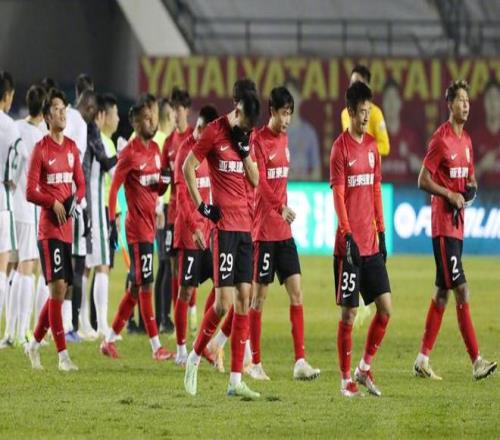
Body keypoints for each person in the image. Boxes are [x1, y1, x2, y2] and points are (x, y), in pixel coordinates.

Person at [413, 80, 497, 381]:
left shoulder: (467, 141)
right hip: (443, 227)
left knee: (442, 294)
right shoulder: (441, 140)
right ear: (449, 104)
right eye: (460, 100)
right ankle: (476, 361)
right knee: (461, 288)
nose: (466, 105)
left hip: (457, 228)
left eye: (468, 100)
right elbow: (422, 179)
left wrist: (470, 188)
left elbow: (470, 177)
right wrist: (449, 194)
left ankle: (422, 359)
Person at [183, 79, 261, 399]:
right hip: (224, 228)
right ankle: (194, 359)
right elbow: (188, 167)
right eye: (246, 123)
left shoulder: (247, 135)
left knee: (245, 299)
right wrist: (202, 206)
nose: (248, 129)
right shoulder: (214, 131)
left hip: (245, 228)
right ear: (237, 108)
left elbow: (255, 179)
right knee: (222, 303)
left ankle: (235, 381)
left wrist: (245, 152)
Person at [246, 86, 320, 381]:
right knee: (258, 298)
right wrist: (280, 207)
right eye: (284, 113)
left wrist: (282, 210)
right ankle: (255, 363)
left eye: (290, 113)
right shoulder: (257, 141)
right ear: (272, 112)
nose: (288, 119)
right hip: (264, 230)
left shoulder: (285, 139)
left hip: (283, 232)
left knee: (297, 292)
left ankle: (300, 361)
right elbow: (260, 183)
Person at [330, 81, 392, 397]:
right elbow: (339, 197)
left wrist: (382, 232)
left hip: (370, 244)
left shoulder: (371, 147)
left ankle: (364, 368)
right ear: (350, 112)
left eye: (369, 111)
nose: (367, 117)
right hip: (350, 247)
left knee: (385, 308)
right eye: (362, 112)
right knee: (349, 313)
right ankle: (345, 380)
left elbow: (376, 190)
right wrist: (348, 234)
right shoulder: (340, 149)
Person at [100, 97, 172, 361]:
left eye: (152, 116)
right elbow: (114, 189)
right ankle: (156, 347)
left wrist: (165, 182)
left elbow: (158, 189)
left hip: (150, 227)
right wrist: (112, 220)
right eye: (146, 118)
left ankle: (108, 340)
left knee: (135, 287)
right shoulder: (129, 153)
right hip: (136, 231)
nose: (152, 121)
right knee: (145, 284)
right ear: (135, 123)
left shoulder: (155, 149)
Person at [24, 88, 85, 371]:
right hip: (48, 231)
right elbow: (30, 191)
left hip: (67, 230)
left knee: (59, 292)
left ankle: (34, 344)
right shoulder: (41, 149)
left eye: (64, 109)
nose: (62, 114)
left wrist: (74, 201)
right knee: (57, 288)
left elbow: (81, 184)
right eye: (57, 110)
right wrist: (53, 202)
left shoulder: (71, 148)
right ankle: (63, 357)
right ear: (47, 117)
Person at [172, 105, 218, 365]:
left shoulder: (212, 153)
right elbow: (181, 197)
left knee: (222, 285)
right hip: (190, 233)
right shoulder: (185, 152)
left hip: (209, 233)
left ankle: (203, 341)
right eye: (200, 128)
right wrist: (194, 227)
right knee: (186, 290)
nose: (201, 134)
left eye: (206, 131)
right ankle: (181, 349)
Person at [6, 85, 47, 346]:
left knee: (11, 269)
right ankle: (21, 331)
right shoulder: (40, 137)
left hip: (11, 206)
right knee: (27, 270)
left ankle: (9, 332)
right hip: (30, 210)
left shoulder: (15, 126)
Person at [83, 93, 118, 339]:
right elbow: (113, 172)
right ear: (102, 115)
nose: (117, 119)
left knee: (86, 266)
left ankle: (84, 322)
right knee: (102, 265)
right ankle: (102, 325)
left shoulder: (85, 135)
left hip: (88, 207)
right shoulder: (99, 139)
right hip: (97, 207)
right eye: (114, 114)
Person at [161, 87, 194, 331]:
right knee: (174, 266)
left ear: (187, 111)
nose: (175, 114)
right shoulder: (168, 144)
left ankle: (192, 314)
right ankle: (176, 317)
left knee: (192, 267)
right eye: (172, 110)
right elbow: (164, 180)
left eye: (179, 109)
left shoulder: (194, 139)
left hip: (193, 214)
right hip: (173, 213)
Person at [0, 71, 21, 341]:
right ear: (6, 96)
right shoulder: (10, 126)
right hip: (3, 202)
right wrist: (12, 179)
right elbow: (20, 157)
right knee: (2, 267)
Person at [155, 97, 176, 333]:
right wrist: (160, 205)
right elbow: (160, 176)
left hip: (166, 207)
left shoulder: (161, 139)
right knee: (166, 264)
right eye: (172, 115)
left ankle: (161, 317)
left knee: (164, 264)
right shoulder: (163, 141)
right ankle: (163, 317)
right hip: (165, 208)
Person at [341, 65, 390, 158]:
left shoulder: (375, 113)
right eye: (351, 83)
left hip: (369, 166)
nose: (353, 86)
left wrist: (365, 149)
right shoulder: (345, 114)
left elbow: (385, 146)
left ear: (366, 87)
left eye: (357, 83)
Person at [381, 79, 421, 183]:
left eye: (394, 98)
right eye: (388, 99)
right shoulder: (374, 137)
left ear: (400, 103)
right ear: (383, 104)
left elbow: (425, 170)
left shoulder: (410, 136)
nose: (391, 104)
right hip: (382, 191)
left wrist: (410, 158)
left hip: (406, 192)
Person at [284, 78, 321, 181]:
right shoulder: (275, 133)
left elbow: (317, 173)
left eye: (292, 96)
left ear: (300, 98)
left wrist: (302, 179)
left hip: (303, 189)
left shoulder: (309, 133)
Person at [471, 79, 500, 187]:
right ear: (484, 103)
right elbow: (464, 179)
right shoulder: (475, 137)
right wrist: (482, 166)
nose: (492, 103)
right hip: (482, 195)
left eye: (496, 98)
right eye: (489, 98)